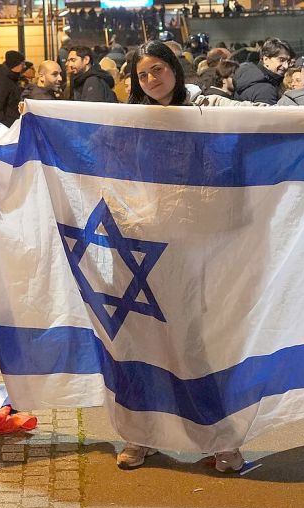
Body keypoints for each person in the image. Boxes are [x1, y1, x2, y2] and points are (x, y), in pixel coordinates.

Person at [123, 40, 245, 472]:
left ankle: (221, 440)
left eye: (158, 69)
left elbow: (269, 121)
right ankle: (141, 435)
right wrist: (36, 118)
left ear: (174, 68)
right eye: (142, 75)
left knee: (198, 343)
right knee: (143, 340)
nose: (151, 80)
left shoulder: (208, 105)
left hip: (199, 246)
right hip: (147, 246)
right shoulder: (132, 119)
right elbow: (85, 143)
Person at [233, 37, 294, 104]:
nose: (286, 66)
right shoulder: (266, 90)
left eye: (288, 61)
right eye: (281, 60)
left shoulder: (249, 75)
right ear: (266, 59)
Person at [0, 50, 26, 127]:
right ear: (17, 64)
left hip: (14, 125)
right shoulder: (2, 81)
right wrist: (6, 127)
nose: (24, 66)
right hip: (9, 127)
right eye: (23, 64)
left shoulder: (13, 79)